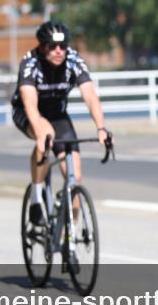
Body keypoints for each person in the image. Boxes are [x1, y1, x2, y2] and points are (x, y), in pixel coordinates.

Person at [11, 21, 110, 228]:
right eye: (52, 46)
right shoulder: (30, 63)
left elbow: (90, 95)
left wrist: (101, 128)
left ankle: (69, 238)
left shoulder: (73, 60)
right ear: (41, 46)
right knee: (45, 135)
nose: (58, 51)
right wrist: (39, 130)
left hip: (58, 115)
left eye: (63, 46)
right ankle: (37, 200)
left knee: (75, 177)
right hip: (29, 112)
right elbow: (29, 102)